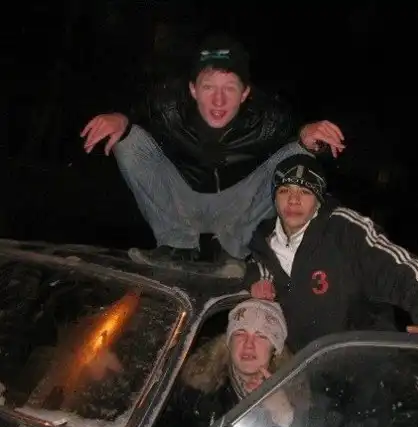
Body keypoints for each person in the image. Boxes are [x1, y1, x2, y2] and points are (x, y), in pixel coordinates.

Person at [79, 32, 345, 271]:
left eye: (230, 88)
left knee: (299, 151)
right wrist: (120, 118)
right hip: (182, 202)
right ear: (193, 89)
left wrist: (310, 136)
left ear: (245, 93)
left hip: (238, 209)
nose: (219, 100)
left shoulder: (269, 117)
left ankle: (233, 252)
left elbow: (309, 148)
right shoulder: (167, 104)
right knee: (128, 139)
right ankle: (177, 246)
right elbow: (135, 110)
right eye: (208, 87)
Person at [245, 154, 418, 355]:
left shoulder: (346, 231)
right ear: (274, 197)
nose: (293, 200)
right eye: (285, 190)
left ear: (319, 199)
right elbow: (251, 271)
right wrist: (256, 280)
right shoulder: (262, 244)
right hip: (304, 371)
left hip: (365, 365)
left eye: (305, 191)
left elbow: (404, 271)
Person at [148, 298, 309, 427]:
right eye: (240, 333)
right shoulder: (194, 389)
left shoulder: (296, 395)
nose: (249, 344)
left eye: (261, 336)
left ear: (275, 349)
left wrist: (284, 415)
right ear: (229, 342)